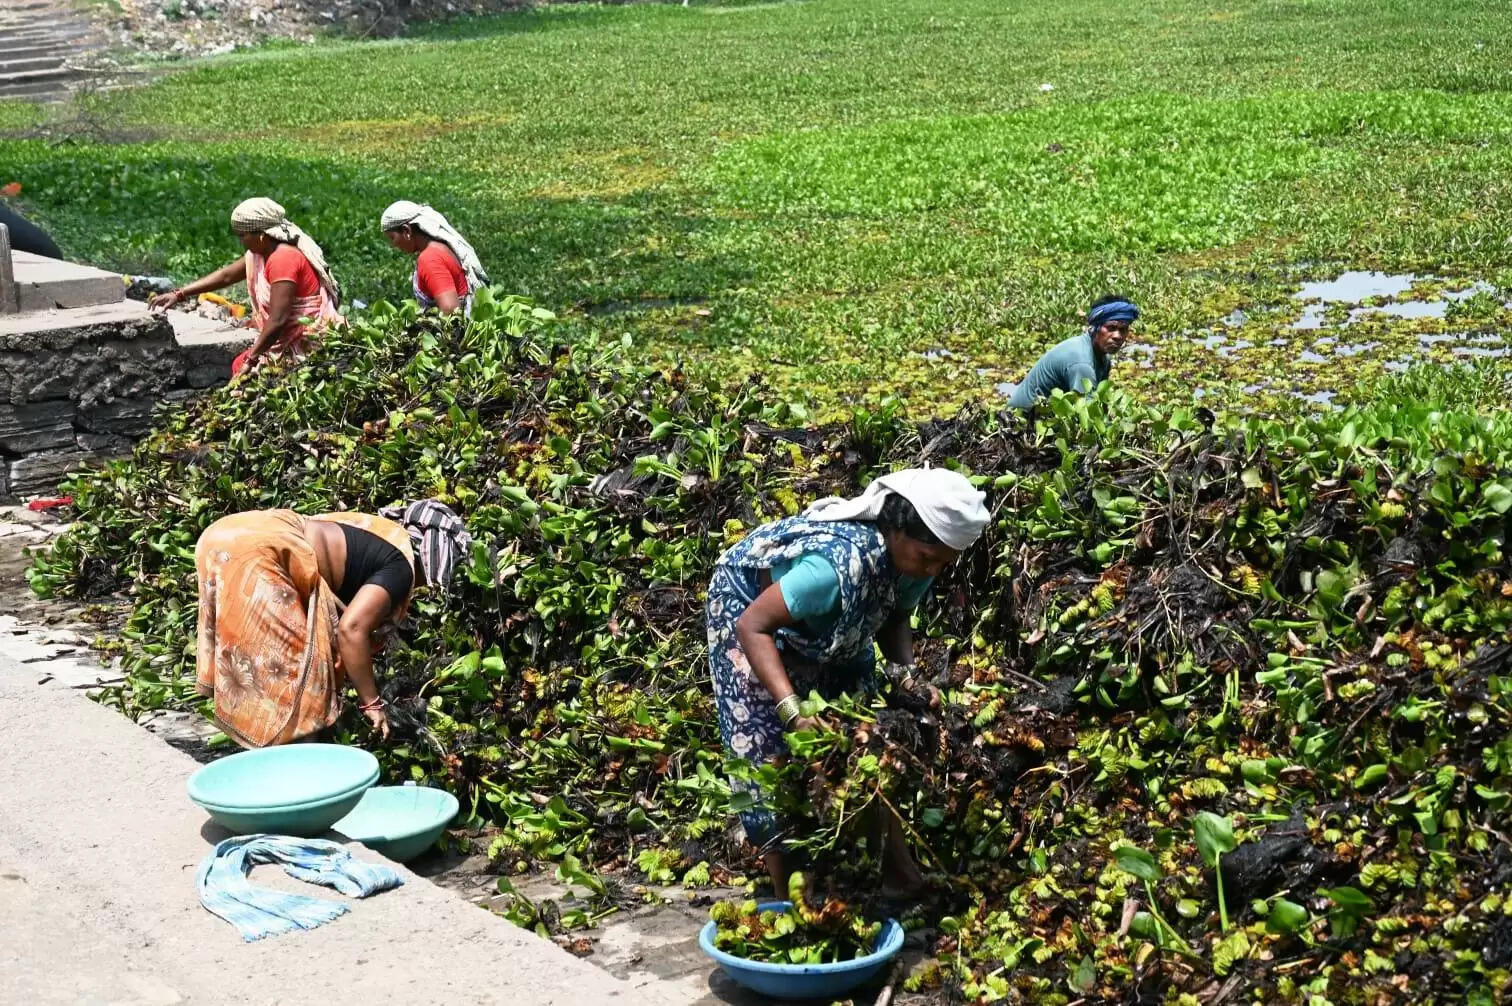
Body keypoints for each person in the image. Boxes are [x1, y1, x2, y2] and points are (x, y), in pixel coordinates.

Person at [707, 467, 990, 893]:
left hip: (836, 623)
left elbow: (895, 616)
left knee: (870, 743)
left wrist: (906, 677)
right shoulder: (832, 570)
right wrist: (792, 710)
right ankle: (788, 891)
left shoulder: (913, 564)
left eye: (941, 563)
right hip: (750, 612)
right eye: (927, 557)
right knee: (767, 753)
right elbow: (753, 627)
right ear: (896, 529)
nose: (929, 569)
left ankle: (899, 874)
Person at [194, 500, 471, 748]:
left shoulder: (371, 533)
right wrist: (372, 704)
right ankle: (290, 784)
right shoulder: (400, 569)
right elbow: (351, 630)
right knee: (302, 695)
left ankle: (268, 764)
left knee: (274, 682)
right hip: (257, 553)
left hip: (225, 535)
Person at [152, 198, 344, 376]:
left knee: (244, 371)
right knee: (239, 365)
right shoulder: (261, 254)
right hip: (284, 337)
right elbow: (226, 276)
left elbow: (278, 319)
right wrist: (179, 294)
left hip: (307, 342)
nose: (241, 241)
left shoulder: (283, 258)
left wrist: (252, 358)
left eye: (243, 236)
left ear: (261, 235)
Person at [1007, 294, 1140, 409]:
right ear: (1095, 328)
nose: (1118, 336)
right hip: (1019, 424)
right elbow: (1088, 416)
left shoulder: (1103, 359)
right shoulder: (1082, 363)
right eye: (1111, 328)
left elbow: (1098, 405)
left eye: (1123, 329)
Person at [379, 201, 489, 316]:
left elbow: (450, 310)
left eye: (392, 238)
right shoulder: (440, 246)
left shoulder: (430, 259)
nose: (393, 245)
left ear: (407, 231)